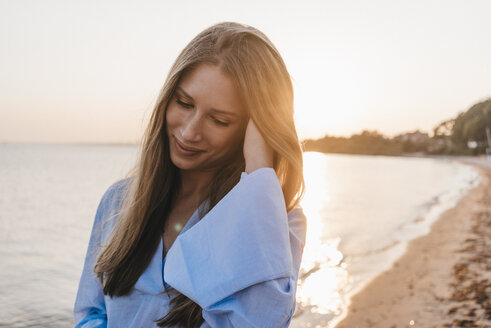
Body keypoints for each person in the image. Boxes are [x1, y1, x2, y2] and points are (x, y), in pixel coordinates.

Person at [74, 21, 307, 328]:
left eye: (219, 120)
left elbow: (258, 321)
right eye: (184, 103)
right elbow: (90, 313)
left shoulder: (280, 224)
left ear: (255, 130)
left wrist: (260, 171)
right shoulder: (118, 201)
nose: (189, 131)